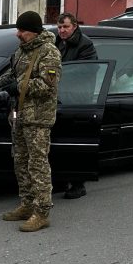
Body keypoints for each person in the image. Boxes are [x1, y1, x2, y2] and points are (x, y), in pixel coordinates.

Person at [0, 11, 62, 232]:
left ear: (34, 31)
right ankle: (27, 204)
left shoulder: (49, 52)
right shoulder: (21, 51)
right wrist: (5, 83)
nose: (18, 34)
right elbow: (12, 75)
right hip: (20, 116)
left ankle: (42, 212)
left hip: (38, 119)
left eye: (22, 30)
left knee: (37, 165)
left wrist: (17, 87)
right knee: (20, 162)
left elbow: (47, 85)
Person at [55, 12, 97, 200]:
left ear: (74, 26)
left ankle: (78, 184)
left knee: (74, 143)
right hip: (60, 97)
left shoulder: (85, 44)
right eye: (59, 27)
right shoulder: (57, 42)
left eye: (65, 27)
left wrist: (56, 73)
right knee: (58, 142)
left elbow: (86, 69)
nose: (62, 30)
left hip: (78, 99)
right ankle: (61, 180)